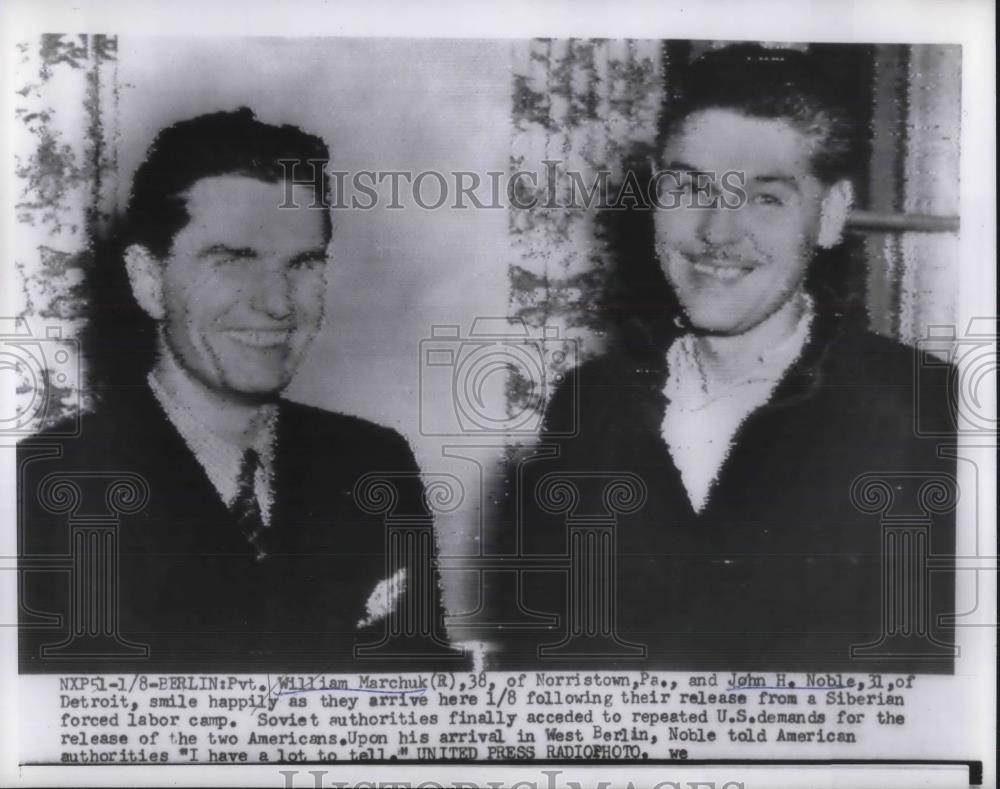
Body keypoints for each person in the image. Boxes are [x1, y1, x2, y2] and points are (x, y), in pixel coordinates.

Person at [507, 45, 957, 672]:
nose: (717, 232)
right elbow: (547, 660)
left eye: (765, 198)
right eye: (689, 187)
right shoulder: (589, 403)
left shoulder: (930, 410)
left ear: (828, 217)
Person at [18, 108, 464, 672]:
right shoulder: (48, 482)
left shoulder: (373, 462)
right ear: (148, 281)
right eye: (232, 261)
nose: (277, 303)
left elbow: (420, 697)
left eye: (303, 264)